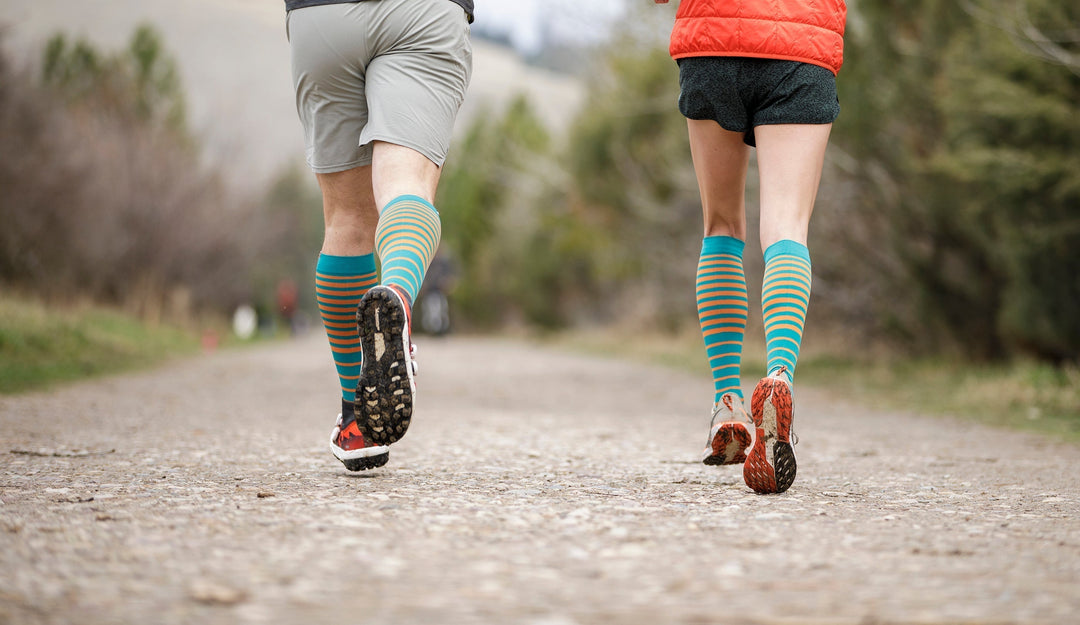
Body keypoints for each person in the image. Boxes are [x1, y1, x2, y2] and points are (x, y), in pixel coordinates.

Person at [655, 0, 846, 493]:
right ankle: (779, 375)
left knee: (721, 225)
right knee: (786, 227)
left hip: (713, 41)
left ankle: (728, 406)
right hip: (803, 45)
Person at [284, 0, 473, 471]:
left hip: (320, 16)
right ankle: (399, 297)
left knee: (346, 219)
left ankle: (357, 419)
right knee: (405, 187)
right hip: (423, 12)